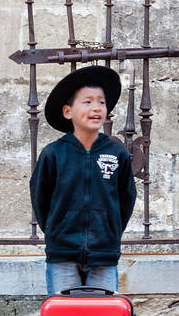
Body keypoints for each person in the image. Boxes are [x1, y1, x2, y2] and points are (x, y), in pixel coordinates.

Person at [31, 65, 137, 296]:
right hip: (62, 257)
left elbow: (126, 200)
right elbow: (41, 200)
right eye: (87, 102)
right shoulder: (53, 154)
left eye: (101, 102)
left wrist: (109, 232)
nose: (96, 108)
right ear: (68, 112)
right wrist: (58, 234)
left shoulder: (116, 153)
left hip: (104, 257)